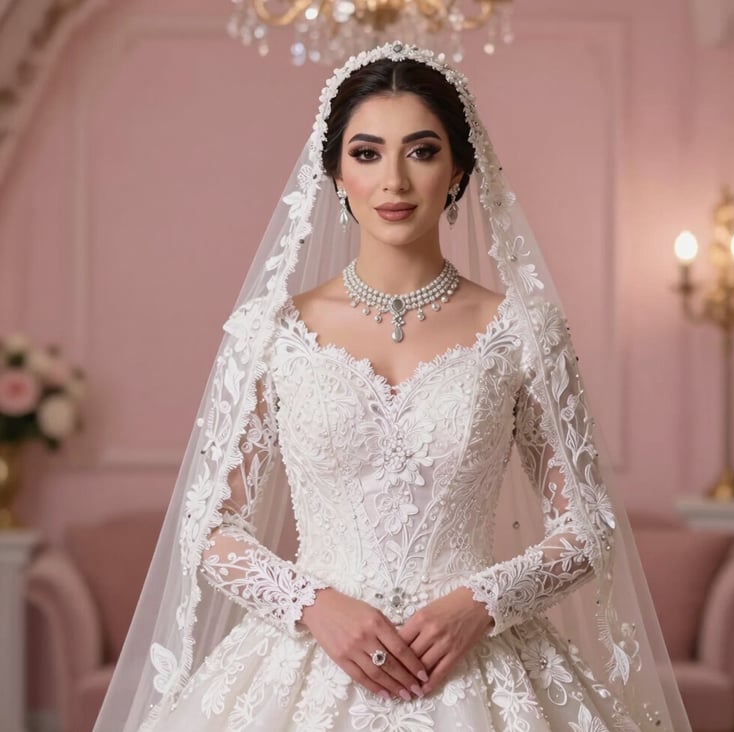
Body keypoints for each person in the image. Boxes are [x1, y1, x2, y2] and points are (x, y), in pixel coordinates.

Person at [95, 43, 691, 731]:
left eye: (422, 150)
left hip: (479, 660)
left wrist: (483, 602)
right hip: (305, 659)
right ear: (336, 173)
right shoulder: (274, 334)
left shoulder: (523, 330)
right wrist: (315, 605)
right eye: (368, 153)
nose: (395, 182)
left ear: (460, 171)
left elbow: (587, 525)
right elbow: (208, 526)